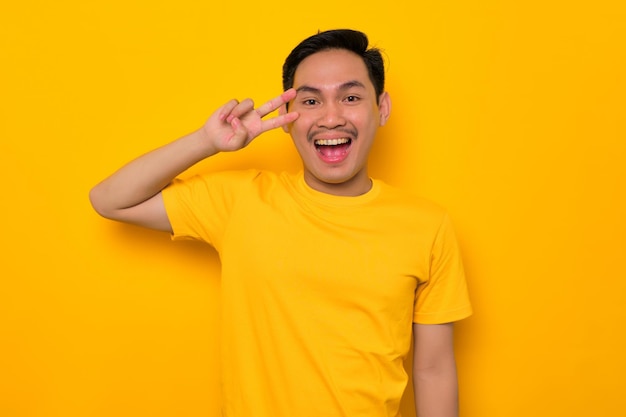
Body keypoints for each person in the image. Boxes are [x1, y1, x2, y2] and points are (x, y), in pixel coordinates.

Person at [90, 29, 472, 417]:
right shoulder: (242, 200)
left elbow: (434, 369)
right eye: (310, 100)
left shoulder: (427, 225)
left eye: (351, 97)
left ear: (382, 107)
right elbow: (110, 200)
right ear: (288, 119)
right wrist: (207, 141)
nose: (331, 117)